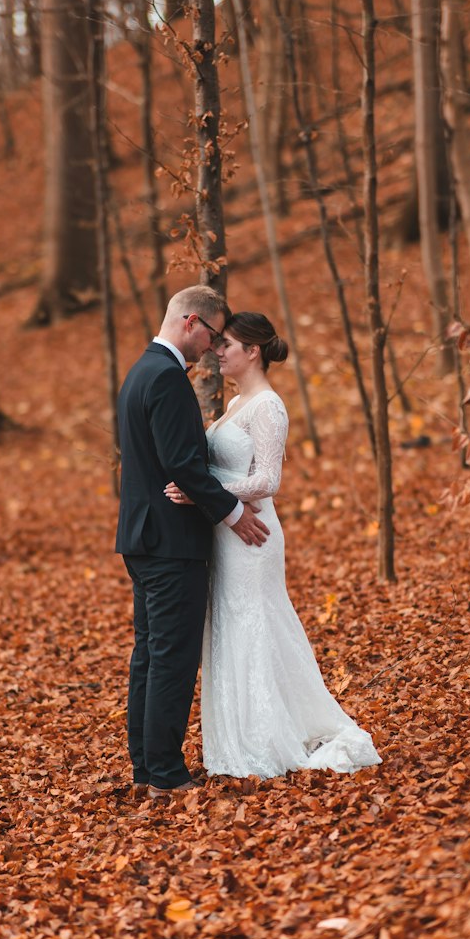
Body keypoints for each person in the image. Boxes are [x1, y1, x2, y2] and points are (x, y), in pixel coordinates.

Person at [166, 311, 382, 779]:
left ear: (253, 352)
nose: (218, 352)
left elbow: (268, 480)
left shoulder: (268, 405)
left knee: (254, 623)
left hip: (254, 536)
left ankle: (268, 738)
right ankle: (239, 736)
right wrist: (205, 490)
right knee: (230, 624)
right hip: (227, 532)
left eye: (227, 345)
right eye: (217, 343)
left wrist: (203, 489)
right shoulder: (236, 404)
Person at [115, 287, 270, 799]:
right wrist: (230, 514)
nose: (211, 347)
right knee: (173, 658)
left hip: (142, 537)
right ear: (189, 321)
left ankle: (145, 766)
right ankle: (165, 773)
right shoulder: (165, 378)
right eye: (210, 333)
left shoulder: (139, 372)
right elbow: (183, 462)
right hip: (170, 542)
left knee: (151, 654)